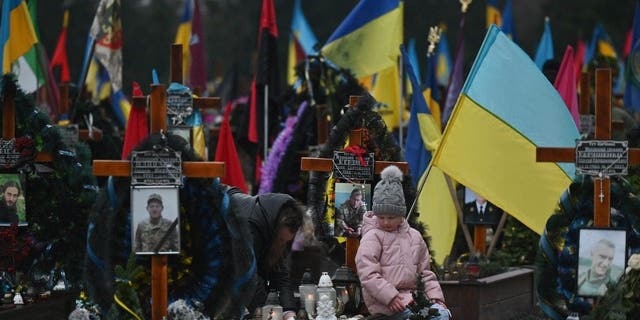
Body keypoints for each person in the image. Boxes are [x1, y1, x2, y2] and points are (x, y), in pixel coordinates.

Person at [355, 165, 450, 319]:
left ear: (401, 214)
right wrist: (390, 296)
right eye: (381, 217)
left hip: (414, 300)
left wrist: (436, 298)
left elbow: (425, 273)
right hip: (386, 303)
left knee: (441, 314)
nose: (385, 222)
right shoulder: (372, 237)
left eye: (391, 217)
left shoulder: (414, 237)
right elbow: (368, 274)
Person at [226, 186, 312, 320]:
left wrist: (289, 311)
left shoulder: (274, 225)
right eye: (281, 240)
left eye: (286, 241)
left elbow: (280, 272)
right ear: (274, 230)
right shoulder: (250, 227)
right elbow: (248, 277)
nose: (282, 244)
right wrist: (269, 311)